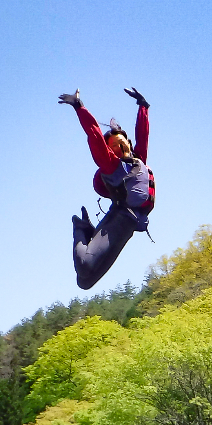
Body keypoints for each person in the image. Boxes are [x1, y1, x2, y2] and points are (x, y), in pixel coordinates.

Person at [58, 86, 156, 290]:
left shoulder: (138, 161)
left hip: (129, 225)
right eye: (112, 146)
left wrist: (143, 107)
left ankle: (88, 232)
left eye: (120, 143)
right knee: (84, 270)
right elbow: (93, 135)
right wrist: (79, 107)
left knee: (84, 282)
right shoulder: (112, 165)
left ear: (128, 143)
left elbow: (143, 137)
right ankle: (81, 227)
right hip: (119, 218)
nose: (117, 148)